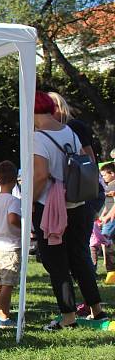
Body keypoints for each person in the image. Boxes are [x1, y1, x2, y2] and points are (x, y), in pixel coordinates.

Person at [31, 91, 107, 331]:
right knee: (80, 257)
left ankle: (68, 316)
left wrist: (30, 199)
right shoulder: (69, 131)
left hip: (51, 207)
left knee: (57, 263)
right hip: (77, 202)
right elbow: (86, 159)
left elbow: (41, 174)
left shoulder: (38, 138)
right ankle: (96, 309)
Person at [0, 160, 22, 329]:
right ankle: (5, 317)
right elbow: (13, 219)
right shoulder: (14, 201)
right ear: (15, 179)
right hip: (10, 246)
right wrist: (24, 227)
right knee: (8, 284)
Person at [100, 162, 115, 284]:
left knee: (105, 240)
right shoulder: (109, 186)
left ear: (112, 174)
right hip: (108, 217)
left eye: (105, 175)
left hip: (112, 219)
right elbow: (107, 204)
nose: (103, 177)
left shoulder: (114, 185)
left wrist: (108, 216)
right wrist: (102, 215)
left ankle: (110, 270)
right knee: (109, 242)